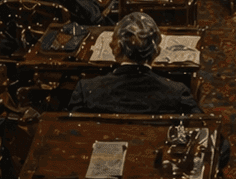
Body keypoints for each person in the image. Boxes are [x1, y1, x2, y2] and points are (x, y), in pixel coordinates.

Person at [69, 12, 202, 114]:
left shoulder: (86, 90)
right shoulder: (177, 93)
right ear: (156, 52)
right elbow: (205, 130)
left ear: (116, 50)